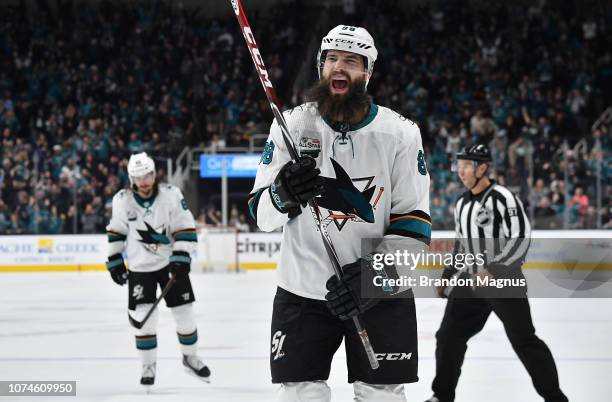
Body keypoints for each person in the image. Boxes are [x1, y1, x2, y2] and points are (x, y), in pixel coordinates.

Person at [248, 25, 430, 401]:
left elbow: (414, 226)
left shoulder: (400, 133)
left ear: (367, 72)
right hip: (302, 290)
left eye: (351, 60)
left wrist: (370, 279)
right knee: (299, 394)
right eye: (331, 59)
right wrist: (283, 193)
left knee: (383, 395)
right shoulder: (292, 125)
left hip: (380, 292)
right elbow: (262, 216)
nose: (339, 67)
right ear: (321, 68)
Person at [425, 144, 568, 402]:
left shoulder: (503, 197)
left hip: (504, 281)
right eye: (459, 165)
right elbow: (463, 244)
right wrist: (448, 275)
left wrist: (494, 269)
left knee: (523, 339)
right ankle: (441, 396)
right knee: (448, 336)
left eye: (467, 165)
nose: (460, 171)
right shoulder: (461, 204)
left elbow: (520, 239)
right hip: (470, 282)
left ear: (482, 168)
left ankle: (555, 397)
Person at [105, 152, 210, 388]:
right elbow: (117, 231)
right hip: (140, 269)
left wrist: (181, 255)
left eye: (147, 175)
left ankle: (190, 357)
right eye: (138, 177)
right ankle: (148, 366)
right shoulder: (122, 200)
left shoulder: (171, 195)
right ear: (131, 178)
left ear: (154, 174)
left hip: (169, 264)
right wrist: (114, 260)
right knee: (145, 320)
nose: (143, 181)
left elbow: (184, 226)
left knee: (185, 314)